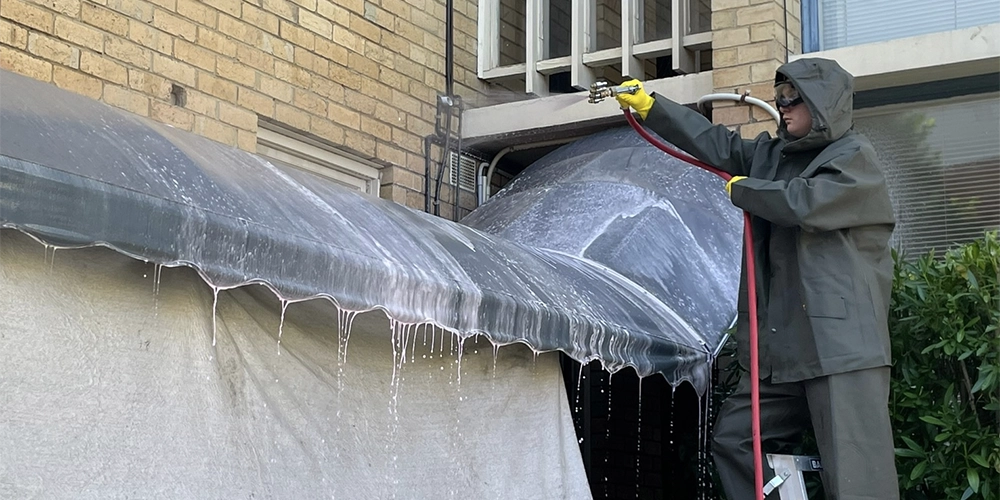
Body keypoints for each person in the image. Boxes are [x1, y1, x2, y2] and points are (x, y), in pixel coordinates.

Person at [616, 58, 899, 499]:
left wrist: (744, 189)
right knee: (736, 440)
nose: (782, 107)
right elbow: (714, 141)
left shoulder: (854, 159)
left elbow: (804, 202)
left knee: (858, 477)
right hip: (783, 352)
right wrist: (653, 106)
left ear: (823, 105)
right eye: (779, 97)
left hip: (842, 350)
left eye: (793, 99)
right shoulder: (771, 156)